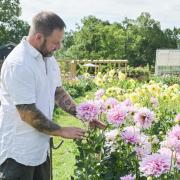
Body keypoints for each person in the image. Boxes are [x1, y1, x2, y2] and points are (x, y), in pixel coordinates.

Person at [0, 11, 105, 180]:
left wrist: (84, 115)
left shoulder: (48, 59)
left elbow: (58, 92)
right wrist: (62, 130)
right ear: (38, 37)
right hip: (18, 153)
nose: (60, 47)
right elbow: (27, 113)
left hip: (41, 149)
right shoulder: (19, 64)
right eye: (56, 42)